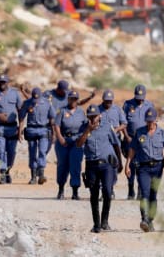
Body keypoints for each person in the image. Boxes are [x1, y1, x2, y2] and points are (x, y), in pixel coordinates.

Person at [125, 108, 164, 233]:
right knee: (144, 193)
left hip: (157, 167)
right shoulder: (139, 132)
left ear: (156, 120)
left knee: (153, 195)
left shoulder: (161, 133)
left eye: (151, 121)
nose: (150, 123)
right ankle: (144, 219)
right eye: (148, 121)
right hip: (143, 167)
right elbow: (132, 149)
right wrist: (127, 164)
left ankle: (150, 220)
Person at [77, 104, 123, 233]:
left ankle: (105, 221)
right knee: (94, 194)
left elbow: (116, 145)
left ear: (100, 116)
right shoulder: (83, 127)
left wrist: (120, 162)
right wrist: (87, 131)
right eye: (90, 116)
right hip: (91, 164)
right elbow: (78, 144)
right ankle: (96, 224)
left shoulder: (107, 127)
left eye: (95, 116)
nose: (92, 119)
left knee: (108, 192)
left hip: (107, 165)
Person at [0, 74, 23, 184]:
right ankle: (2, 173)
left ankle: (7, 171)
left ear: (8, 82)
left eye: (4, 82)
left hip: (12, 128)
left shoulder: (15, 94)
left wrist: (20, 129)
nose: (2, 84)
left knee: (11, 153)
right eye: (0, 82)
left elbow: (21, 110)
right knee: (0, 151)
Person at [122, 84, 154, 200]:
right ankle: (131, 190)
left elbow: (152, 123)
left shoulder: (150, 105)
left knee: (142, 165)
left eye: (142, 97)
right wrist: (126, 136)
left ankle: (141, 190)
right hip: (130, 138)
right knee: (131, 164)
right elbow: (123, 122)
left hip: (144, 139)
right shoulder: (127, 104)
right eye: (138, 97)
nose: (140, 99)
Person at [53, 90, 87, 200]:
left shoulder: (81, 112)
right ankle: (61, 189)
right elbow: (56, 126)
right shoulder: (62, 111)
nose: (73, 101)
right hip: (64, 141)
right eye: (71, 98)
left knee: (76, 165)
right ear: (68, 99)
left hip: (76, 141)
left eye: (75, 99)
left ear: (77, 100)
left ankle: (75, 191)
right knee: (62, 165)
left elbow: (86, 126)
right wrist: (60, 138)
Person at [19, 87, 56, 185]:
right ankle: (33, 177)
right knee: (32, 152)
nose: (35, 102)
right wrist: (19, 132)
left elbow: (52, 119)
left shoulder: (47, 103)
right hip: (31, 130)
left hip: (43, 130)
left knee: (42, 152)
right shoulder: (27, 103)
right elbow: (22, 118)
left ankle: (41, 174)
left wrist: (54, 134)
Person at [98, 89, 127, 198]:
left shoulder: (118, 110)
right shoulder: (98, 109)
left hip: (115, 141)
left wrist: (116, 130)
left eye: (110, 101)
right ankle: (103, 189)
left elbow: (124, 123)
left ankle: (111, 188)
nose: (108, 103)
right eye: (106, 101)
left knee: (113, 165)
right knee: (101, 165)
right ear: (103, 100)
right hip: (102, 142)